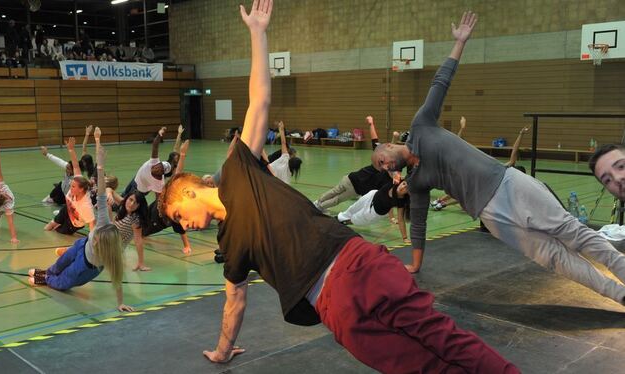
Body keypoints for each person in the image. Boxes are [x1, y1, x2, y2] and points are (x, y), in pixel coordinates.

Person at [160, 4, 517, 372]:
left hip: (338, 289)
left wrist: (257, 33)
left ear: (187, 193)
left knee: (428, 357)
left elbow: (259, 100)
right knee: (440, 338)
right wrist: (222, 349)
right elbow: (233, 302)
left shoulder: (238, 168)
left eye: (178, 217)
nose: (183, 226)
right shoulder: (229, 240)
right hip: (363, 260)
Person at [370, 11, 625, 307]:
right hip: (492, 216)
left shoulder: (421, 125)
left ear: (388, 145)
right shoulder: (415, 182)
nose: (385, 167)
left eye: (381, 160)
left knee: (574, 234)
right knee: (555, 259)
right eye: (382, 168)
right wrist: (415, 264)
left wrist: (460, 43)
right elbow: (418, 224)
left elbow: (440, 82)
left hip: (509, 185)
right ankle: (619, 296)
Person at [30, 142, 133, 312]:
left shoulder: (113, 253)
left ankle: (46, 279)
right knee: (61, 263)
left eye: (99, 241)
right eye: (97, 236)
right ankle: (48, 272)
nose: (96, 239)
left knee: (63, 282)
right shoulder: (103, 224)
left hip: (86, 267)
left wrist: (120, 302)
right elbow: (100, 194)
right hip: (80, 246)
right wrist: (100, 166)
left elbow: (117, 279)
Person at [313, 115, 391, 212]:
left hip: (350, 178)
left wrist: (371, 124)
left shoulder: (379, 160)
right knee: (337, 199)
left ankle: (317, 202)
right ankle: (319, 207)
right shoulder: (385, 175)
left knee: (334, 191)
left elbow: (375, 140)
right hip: (354, 188)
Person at [337, 174, 411, 243]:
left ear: (408, 192)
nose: (403, 187)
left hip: (374, 213)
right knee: (352, 208)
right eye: (404, 184)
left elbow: (401, 220)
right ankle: (338, 218)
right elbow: (393, 171)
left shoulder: (401, 201)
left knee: (356, 219)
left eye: (406, 188)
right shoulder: (395, 182)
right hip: (371, 196)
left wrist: (405, 238)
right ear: (401, 182)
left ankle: (343, 222)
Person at [44, 137, 95, 235]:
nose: (70, 189)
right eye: (71, 185)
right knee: (48, 227)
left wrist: (92, 239)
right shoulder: (78, 179)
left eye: (73, 187)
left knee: (57, 232)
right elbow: (75, 165)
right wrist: (71, 150)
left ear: (81, 190)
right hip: (67, 209)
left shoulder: (85, 205)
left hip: (74, 221)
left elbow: (92, 223)